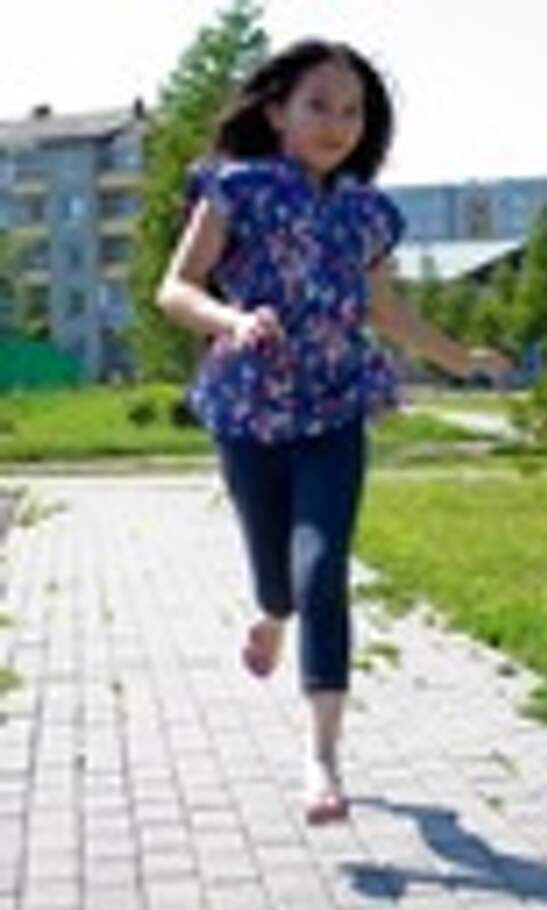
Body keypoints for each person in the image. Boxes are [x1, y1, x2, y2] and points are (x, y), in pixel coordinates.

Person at [157, 38, 410, 825]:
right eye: (318, 106)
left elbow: (388, 312)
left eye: (352, 111)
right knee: (278, 576)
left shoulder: (368, 212)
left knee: (322, 568)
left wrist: (462, 358)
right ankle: (270, 617)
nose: (337, 124)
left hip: (334, 409)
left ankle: (322, 759)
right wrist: (232, 320)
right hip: (249, 412)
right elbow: (176, 288)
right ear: (276, 112)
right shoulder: (236, 188)